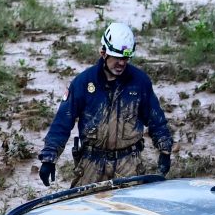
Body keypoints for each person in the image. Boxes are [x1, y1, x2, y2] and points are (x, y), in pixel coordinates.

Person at [38, 22, 174, 188]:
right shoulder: (83, 83)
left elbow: (156, 120)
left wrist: (165, 151)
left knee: (128, 211)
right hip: (91, 164)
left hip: (129, 164)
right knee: (84, 210)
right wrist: (49, 159)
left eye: (126, 58)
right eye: (117, 57)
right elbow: (62, 123)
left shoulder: (140, 82)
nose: (122, 63)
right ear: (103, 53)